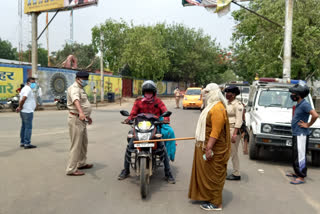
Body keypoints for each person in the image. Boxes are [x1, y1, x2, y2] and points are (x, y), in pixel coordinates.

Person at [118, 80, 176, 184]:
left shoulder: (158, 102)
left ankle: (168, 173)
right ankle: (126, 170)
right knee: (130, 147)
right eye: (146, 92)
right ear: (143, 92)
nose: (148, 94)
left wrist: (166, 118)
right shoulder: (138, 102)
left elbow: (165, 111)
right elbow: (132, 114)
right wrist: (128, 119)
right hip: (140, 128)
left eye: (150, 92)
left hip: (154, 127)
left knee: (162, 147)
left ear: (153, 93)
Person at [188, 83, 231, 211]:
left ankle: (216, 203)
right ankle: (207, 196)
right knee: (207, 174)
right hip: (206, 144)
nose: (205, 95)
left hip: (214, 148)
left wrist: (209, 148)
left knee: (214, 176)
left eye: (207, 93)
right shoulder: (211, 107)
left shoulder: (217, 108)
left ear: (213, 93)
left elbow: (216, 131)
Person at [287, 82, 318, 184]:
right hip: (297, 133)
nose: (291, 95)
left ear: (298, 95)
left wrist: (308, 125)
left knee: (300, 155)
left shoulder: (305, 104)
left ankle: (301, 177)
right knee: (296, 154)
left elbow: (315, 115)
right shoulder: (299, 104)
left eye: (293, 94)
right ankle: (297, 172)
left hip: (301, 134)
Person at [66, 71, 93, 176]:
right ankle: (71, 169)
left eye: (86, 79)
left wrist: (87, 116)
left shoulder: (81, 88)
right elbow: (76, 100)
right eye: (84, 79)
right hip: (76, 119)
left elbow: (83, 103)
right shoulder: (74, 88)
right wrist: (81, 113)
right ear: (78, 78)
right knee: (76, 145)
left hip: (82, 119)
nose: (86, 81)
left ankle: (81, 163)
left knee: (83, 143)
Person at [224, 85, 244, 181]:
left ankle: (236, 173)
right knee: (225, 152)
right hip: (226, 130)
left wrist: (235, 134)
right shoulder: (227, 103)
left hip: (233, 130)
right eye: (226, 93)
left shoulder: (238, 105)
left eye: (229, 93)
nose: (227, 94)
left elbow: (239, 120)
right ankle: (223, 170)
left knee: (233, 152)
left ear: (234, 94)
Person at [16, 77, 37, 149]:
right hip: (27, 111)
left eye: (34, 82)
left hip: (24, 111)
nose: (34, 84)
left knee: (24, 127)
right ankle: (27, 143)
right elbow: (23, 99)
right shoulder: (27, 89)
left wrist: (19, 107)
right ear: (28, 82)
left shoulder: (24, 89)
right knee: (28, 127)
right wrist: (20, 107)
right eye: (33, 82)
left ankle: (23, 142)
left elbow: (21, 99)